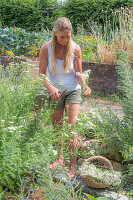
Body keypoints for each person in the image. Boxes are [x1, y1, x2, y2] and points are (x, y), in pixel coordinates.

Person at [39, 17, 91, 179]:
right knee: (56, 129)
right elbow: (41, 75)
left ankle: (73, 165)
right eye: (63, 36)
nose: (66, 39)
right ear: (55, 34)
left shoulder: (75, 48)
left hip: (72, 91)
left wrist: (85, 86)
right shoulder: (46, 49)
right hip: (55, 93)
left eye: (68, 36)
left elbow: (78, 74)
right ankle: (59, 159)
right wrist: (50, 87)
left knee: (70, 129)